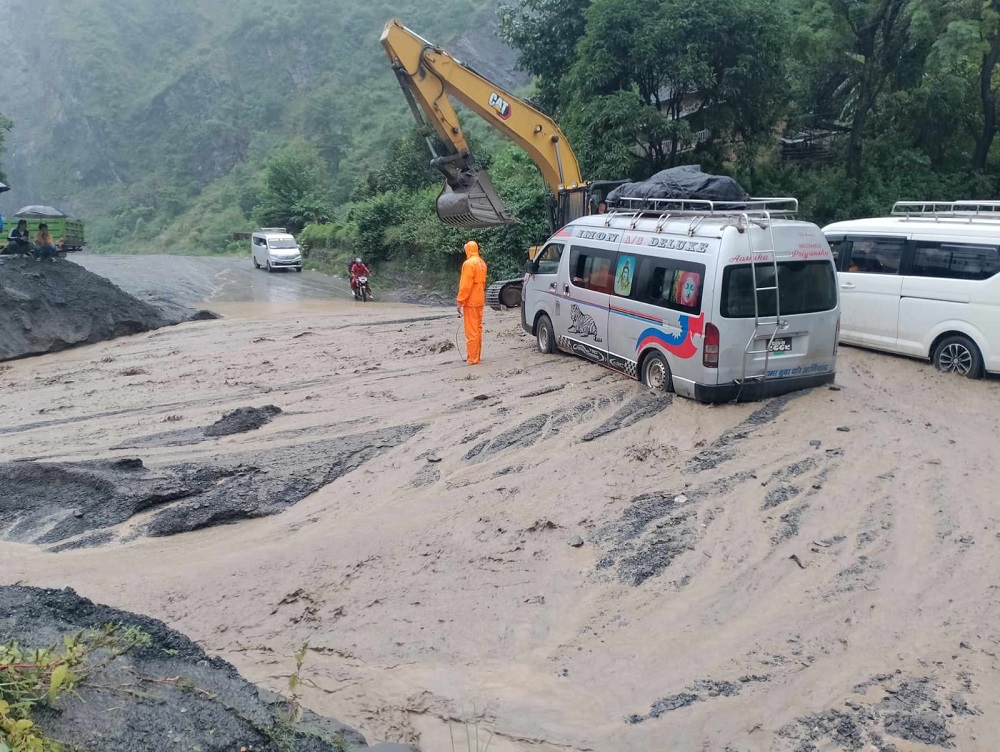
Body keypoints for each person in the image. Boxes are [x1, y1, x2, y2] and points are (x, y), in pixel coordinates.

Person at [456, 240, 488, 365]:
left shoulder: (469, 264)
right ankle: (476, 356)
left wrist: (460, 301)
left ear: (468, 249)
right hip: (480, 299)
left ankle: (473, 358)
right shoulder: (481, 263)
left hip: (471, 301)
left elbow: (465, 285)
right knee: (478, 329)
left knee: (471, 331)